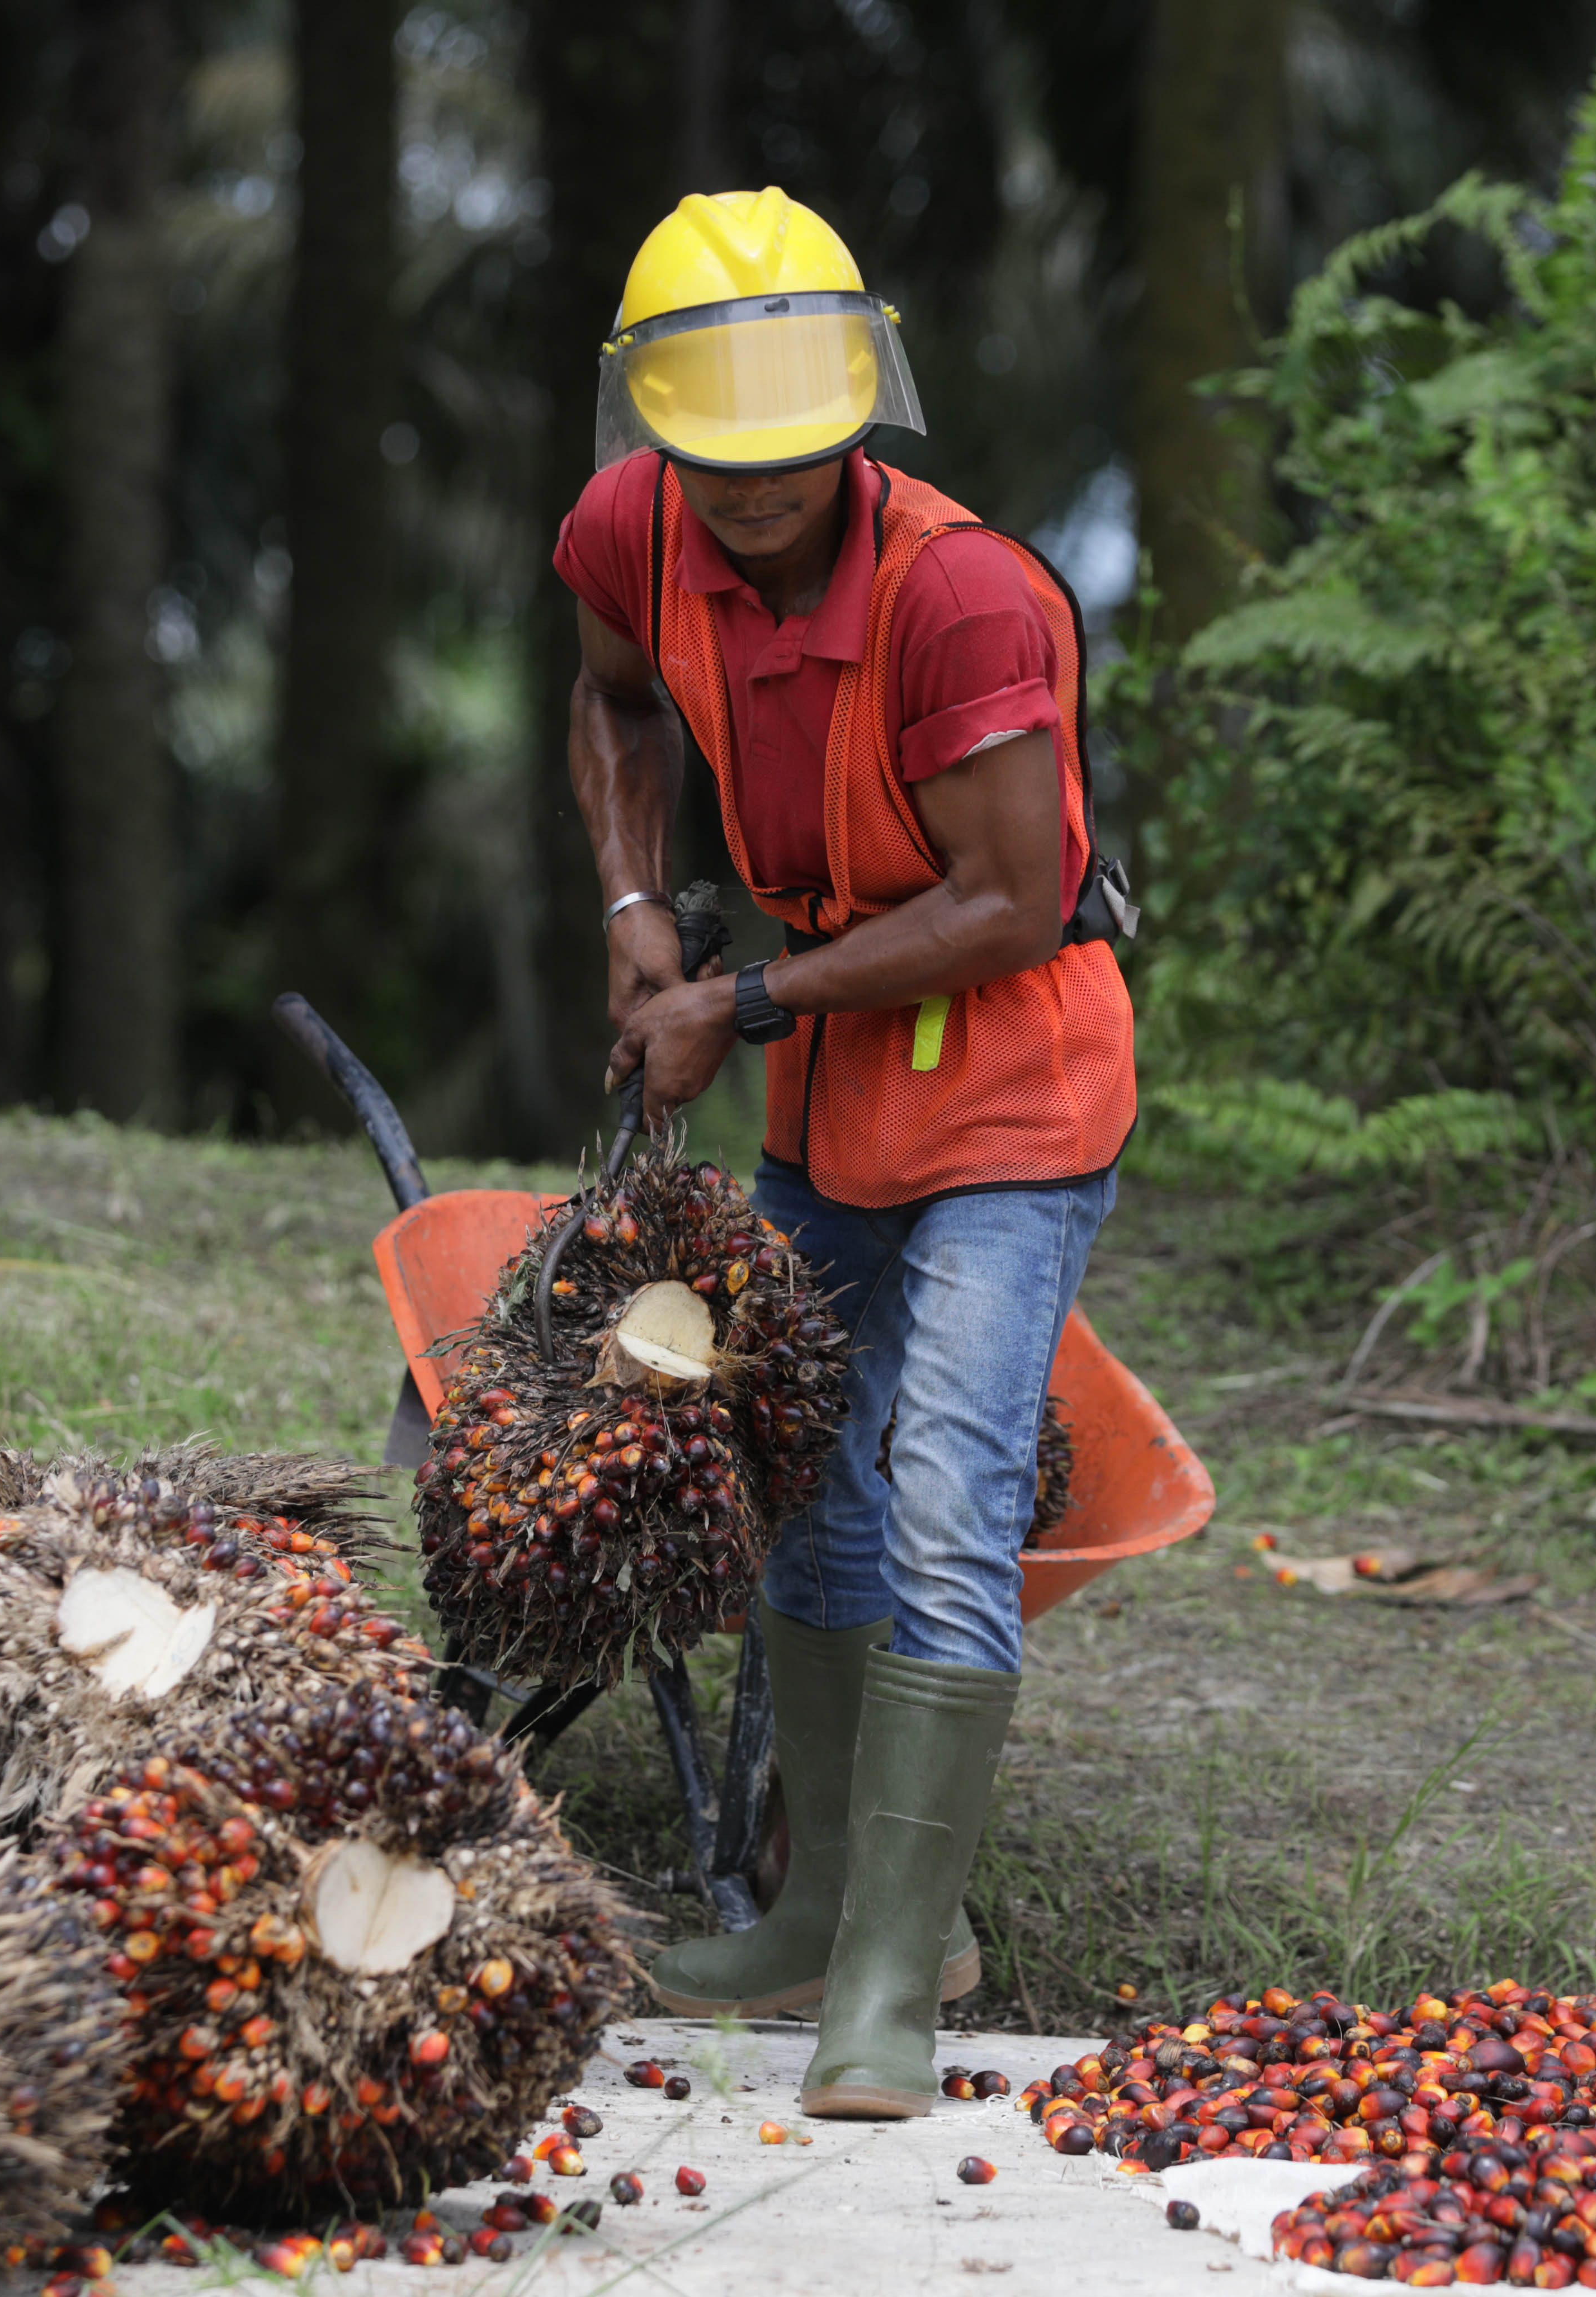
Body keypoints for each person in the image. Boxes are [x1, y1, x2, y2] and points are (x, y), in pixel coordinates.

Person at [549, 186, 1136, 2120]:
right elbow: (612, 700)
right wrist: (641, 900)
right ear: (659, 428)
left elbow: (1012, 896)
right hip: (837, 1098)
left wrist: (747, 1003)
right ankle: (815, 1916)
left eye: (797, 450)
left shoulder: (960, 595)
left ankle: (898, 1969)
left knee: (955, 1493)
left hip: (1011, 1099)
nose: (760, 491)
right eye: (719, 458)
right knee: (808, 1475)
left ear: (854, 411)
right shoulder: (636, 529)